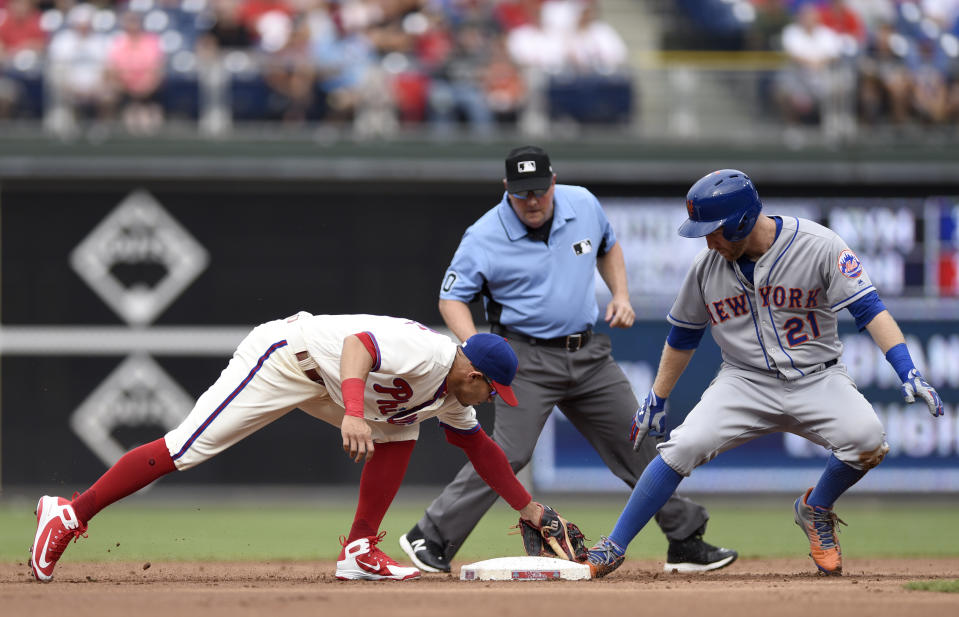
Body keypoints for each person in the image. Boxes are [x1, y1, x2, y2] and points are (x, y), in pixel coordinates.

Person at [585, 169, 944, 578]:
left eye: (714, 231)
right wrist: (658, 396)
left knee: (868, 440)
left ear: (741, 220)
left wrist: (907, 368)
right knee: (681, 447)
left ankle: (816, 509)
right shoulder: (707, 268)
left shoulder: (819, 245)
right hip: (744, 382)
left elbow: (869, 309)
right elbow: (683, 336)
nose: (708, 242)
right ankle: (613, 545)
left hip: (817, 378)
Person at [398, 145, 737, 575]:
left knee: (640, 443)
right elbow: (452, 298)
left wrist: (621, 295)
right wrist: (476, 350)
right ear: (507, 190)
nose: (533, 200)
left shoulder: (583, 204)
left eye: (540, 189)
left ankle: (685, 539)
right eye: (522, 193)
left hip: (588, 354)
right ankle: (431, 535)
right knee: (509, 452)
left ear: (553, 182)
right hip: (524, 357)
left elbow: (608, 247)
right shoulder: (483, 235)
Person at [30, 312, 566, 582]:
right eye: (491, 390)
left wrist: (529, 508)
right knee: (187, 447)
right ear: (472, 371)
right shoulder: (428, 354)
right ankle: (69, 516)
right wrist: (354, 412)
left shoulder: (452, 395)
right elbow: (359, 348)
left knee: (400, 428)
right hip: (287, 358)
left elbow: (482, 451)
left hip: (330, 383)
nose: (491, 400)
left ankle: (358, 550)